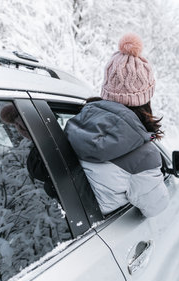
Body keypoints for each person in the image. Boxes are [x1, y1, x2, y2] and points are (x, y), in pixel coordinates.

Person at [65, 33, 169, 218]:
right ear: (145, 99)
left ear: (106, 89)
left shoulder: (74, 124)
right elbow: (156, 207)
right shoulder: (144, 155)